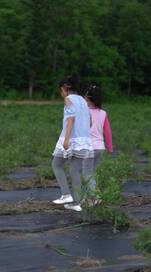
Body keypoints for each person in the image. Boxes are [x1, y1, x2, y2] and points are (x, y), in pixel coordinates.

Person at [51, 75, 94, 212]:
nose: (61, 94)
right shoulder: (83, 100)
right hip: (84, 140)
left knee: (56, 164)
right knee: (75, 170)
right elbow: (90, 120)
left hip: (72, 138)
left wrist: (67, 139)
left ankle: (66, 194)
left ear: (65, 89)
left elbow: (71, 119)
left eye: (61, 91)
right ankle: (77, 202)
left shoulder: (68, 99)